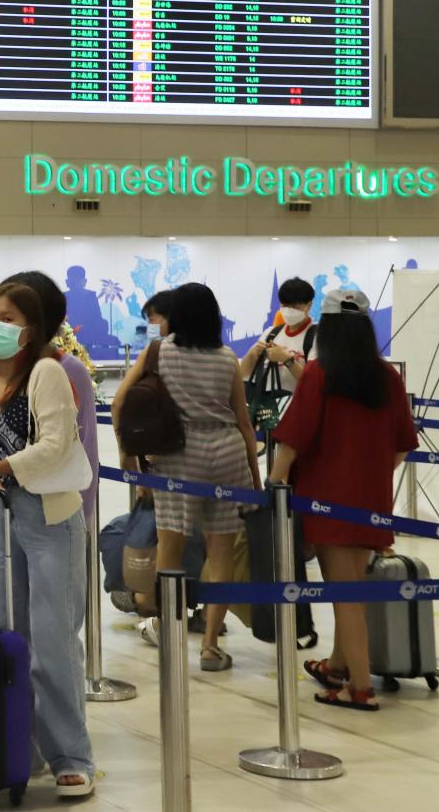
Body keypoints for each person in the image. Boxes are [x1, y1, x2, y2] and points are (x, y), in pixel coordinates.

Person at [0, 281, 95, 799]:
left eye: (7, 317)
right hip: (1, 518)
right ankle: (20, 744)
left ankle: (71, 756)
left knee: (54, 641)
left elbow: (56, 446)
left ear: (30, 328)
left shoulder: (47, 372)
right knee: (11, 636)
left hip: (49, 517)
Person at [270, 288, 418, 712]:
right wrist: (371, 476)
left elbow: (293, 439)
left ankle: (359, 687)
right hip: (369, 501)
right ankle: (336, 666)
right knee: (351, 588)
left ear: (329, 328)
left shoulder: (320, 374)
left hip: (327, 502)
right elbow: (403, 444)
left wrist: (277, 485)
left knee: (344, 597)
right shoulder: (386, 376)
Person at [111, 282, 260, 672]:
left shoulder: (160, 351)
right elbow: (243, 422)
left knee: (171, 549)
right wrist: (256, 481)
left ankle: (173, 633)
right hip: (227, 452)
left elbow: (120, 401)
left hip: (178, 456)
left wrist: (130, 458)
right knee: (221, 552)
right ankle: (210, 645)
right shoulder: (227, 357)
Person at [2, 271, 100, 521]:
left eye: (8, 315)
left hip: (52, 511)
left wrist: (82, 516)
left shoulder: (69, 370)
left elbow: (85, 445)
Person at [240, 277, 318, 393]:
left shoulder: (317, 336)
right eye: (285, 306)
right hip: (271, 407)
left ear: (309, 305)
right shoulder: (271, 333)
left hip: (301, 407)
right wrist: (252, 354)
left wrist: (287, 359)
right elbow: (243, 373)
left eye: (295, 306)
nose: (289, 310)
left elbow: (314, 382)